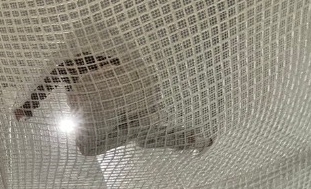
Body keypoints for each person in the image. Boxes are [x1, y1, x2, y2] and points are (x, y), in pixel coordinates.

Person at [14, 53, 213, 155]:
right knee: (143, 138)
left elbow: (56, 75)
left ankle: (186, 138)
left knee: (88, 148)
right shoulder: (110, 58)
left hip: (107, 105)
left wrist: (28, 107)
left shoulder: (75, 67)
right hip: (137, 95)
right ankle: (193, 140)